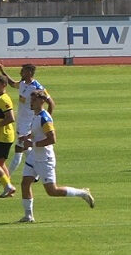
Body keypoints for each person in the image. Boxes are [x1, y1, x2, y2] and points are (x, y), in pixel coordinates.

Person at [18, 91, 94, 222]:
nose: (31, 102)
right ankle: (28, 216)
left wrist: (32, 143)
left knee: (52, 191)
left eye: (34, 100)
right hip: (34, 157)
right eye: (31, 100)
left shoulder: (44, 118)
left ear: (41, 101)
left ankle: (83, 193)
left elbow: (52, 139)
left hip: (44, 159)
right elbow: (37, 132)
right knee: (25, 183)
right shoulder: (35, 116)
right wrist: (27, 137)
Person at [0, 63, 51, 176]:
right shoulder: (22, 83)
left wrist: (43, 120)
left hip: (28, 124)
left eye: (23, 71)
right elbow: (12, 84)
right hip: (21, 122)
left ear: (29, 73)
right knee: (27, 149)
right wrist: (3, 71)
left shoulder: (37, 87)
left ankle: (6, 176)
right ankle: (36, 174)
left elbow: (51, 103)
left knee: (19, 148)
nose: (20, 73)